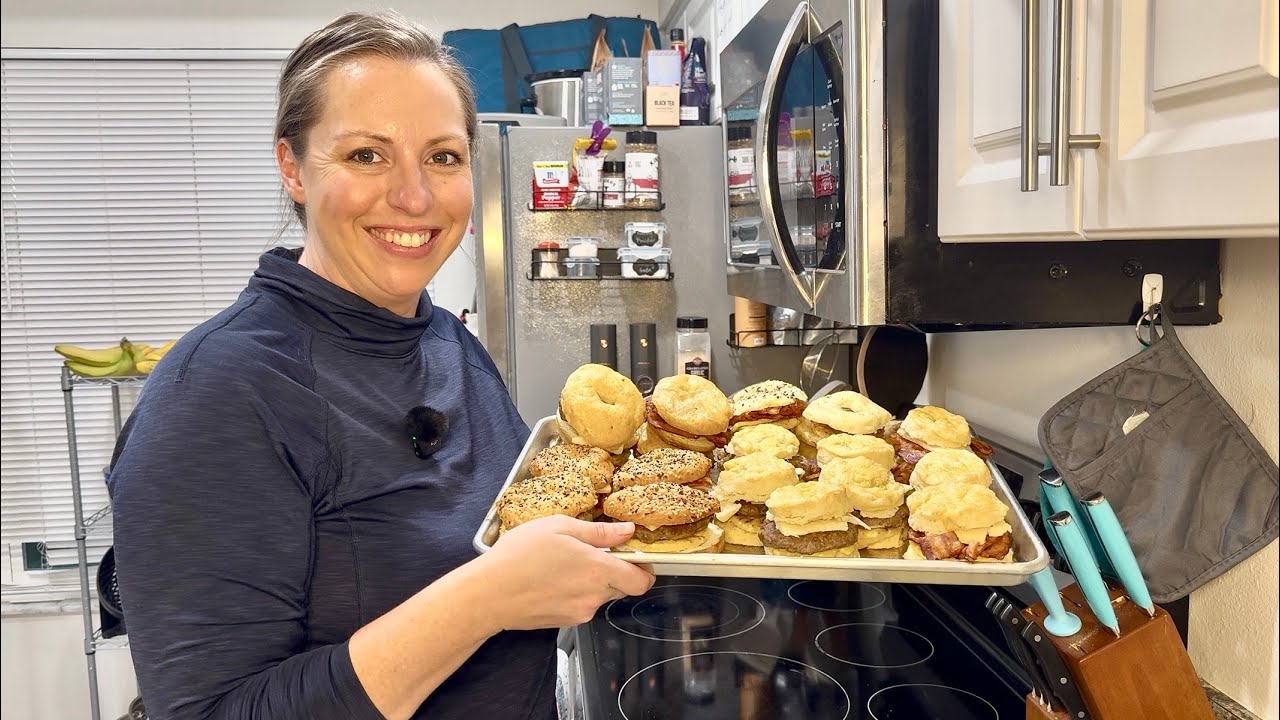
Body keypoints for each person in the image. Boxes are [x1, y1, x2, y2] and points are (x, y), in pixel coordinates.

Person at [107, 11, 655, 720]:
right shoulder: (219, 391)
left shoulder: (447, 345)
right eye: (367, 155)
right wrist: (485, 598)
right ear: (292, 167)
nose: (415, 197)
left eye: (443, 157)